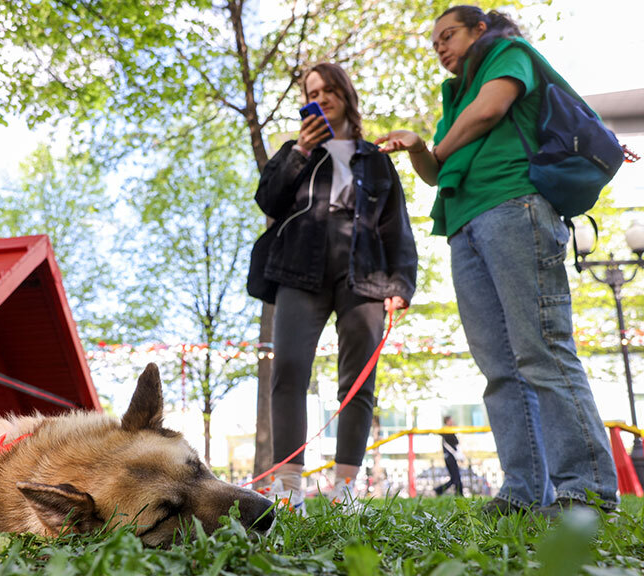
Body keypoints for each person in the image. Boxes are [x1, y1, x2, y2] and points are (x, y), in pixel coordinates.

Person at [377, 6, 618, 516]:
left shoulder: (509, 55)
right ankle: (525, 491)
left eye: (449, 36)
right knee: (500, 369)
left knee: (543, 351)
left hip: (515, 207)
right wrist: (421, 146)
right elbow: (433, 171)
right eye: (434, 42)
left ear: (479, 30)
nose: (440, 47)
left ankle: (587, 488)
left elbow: (491, 110)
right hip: (463, 225)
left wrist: (437, 146)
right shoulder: (452, 98)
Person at [253, 62, 418, 512]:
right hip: (299, 270)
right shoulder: (297, 151)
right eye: (312, 91)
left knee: (359, 382)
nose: (321, 96)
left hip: (364, 276)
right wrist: (298, 154)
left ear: (345, 94)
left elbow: (395, 226)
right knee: (287, 369)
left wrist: (401, 282)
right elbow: (268, 198)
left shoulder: (376, 159)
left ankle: (346, 488)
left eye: (329, 89)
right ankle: (288, 490)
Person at [435, 416, 464, 497]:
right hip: (450, 457)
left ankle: (439, 490)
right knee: (456, 477)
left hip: (450, 457)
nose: (452, 422)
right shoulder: (446, 431)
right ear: (447, 421)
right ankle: (458, 493)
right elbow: (455, 442)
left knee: (454, 477)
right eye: (451, 420)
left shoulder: (450, 431)